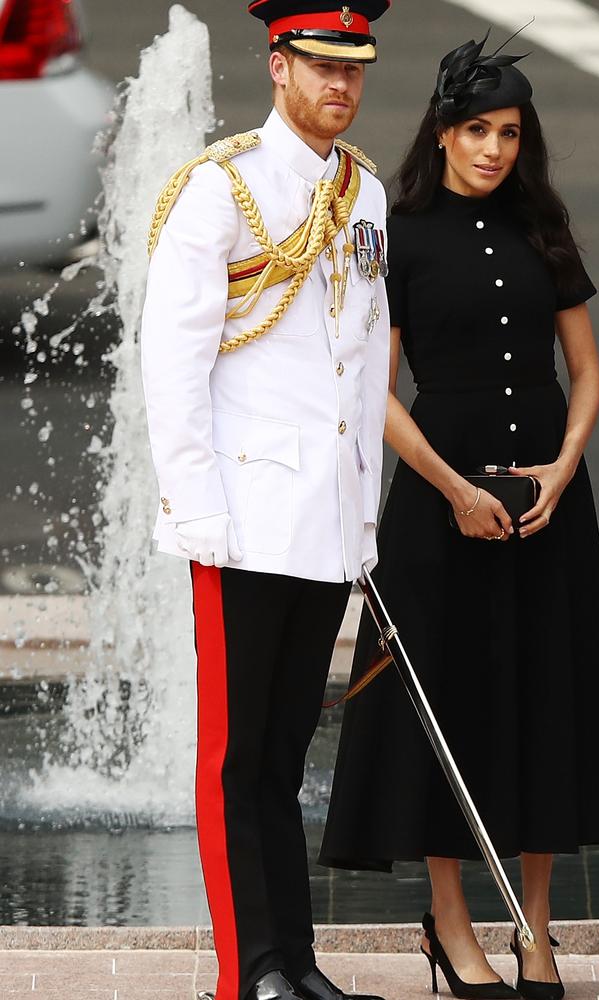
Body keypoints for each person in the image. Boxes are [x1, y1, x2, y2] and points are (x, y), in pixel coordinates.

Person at [319, 31, 599, 1000]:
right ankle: (450, 924)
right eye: (475, 130)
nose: (493, 148)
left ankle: (535, 932)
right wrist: (453, 489)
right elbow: (371, 395)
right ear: (444, 132)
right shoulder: (399, 232)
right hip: (438, 504)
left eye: (507, 132)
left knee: (543, 702)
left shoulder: (539, 227)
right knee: (447, 710)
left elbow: (583, 369)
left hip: (547, 502)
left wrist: (562, 465)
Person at [140, 4, 392, 1000]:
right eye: (321, 67)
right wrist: (198, 511)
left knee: (284, 758)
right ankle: (249, 975)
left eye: (353, 70)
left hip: (321, 525)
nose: (340, 87)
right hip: (241, 519)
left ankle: (296, 961)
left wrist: (362, 520)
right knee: (234, 762)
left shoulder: (362, 190)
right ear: (280, 66)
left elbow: (363, 360)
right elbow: (175, 363)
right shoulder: (220, 187)